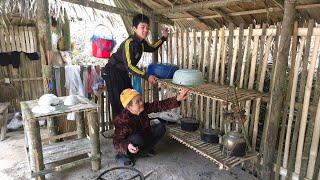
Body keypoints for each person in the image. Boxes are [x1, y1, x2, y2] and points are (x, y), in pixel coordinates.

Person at [103, 13, 169, 118]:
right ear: (134, 28)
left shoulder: (142, 42)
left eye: (147, 28)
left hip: (123, 72)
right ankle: (120, 130)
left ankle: (131, 126)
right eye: (142, 27)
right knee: (118, 101)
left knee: (131, 99)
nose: (146, 30)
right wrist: (147, 76)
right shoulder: (129, 43)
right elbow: (130, 65)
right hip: (112, 72)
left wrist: (163, 38)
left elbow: (152, 48)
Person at [113, 88, 189, 166]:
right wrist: (127, 145)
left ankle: (144, 151)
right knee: (137, 138)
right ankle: (122, 156)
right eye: (137, 102)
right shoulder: (122, 120)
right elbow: (117, 141)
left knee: (161, 128)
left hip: (143, 137)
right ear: (129, 107)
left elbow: (159, 105)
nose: (142, 103)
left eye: (141, 99)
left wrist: (177, 98)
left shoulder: (143, 108)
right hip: (133, 142)